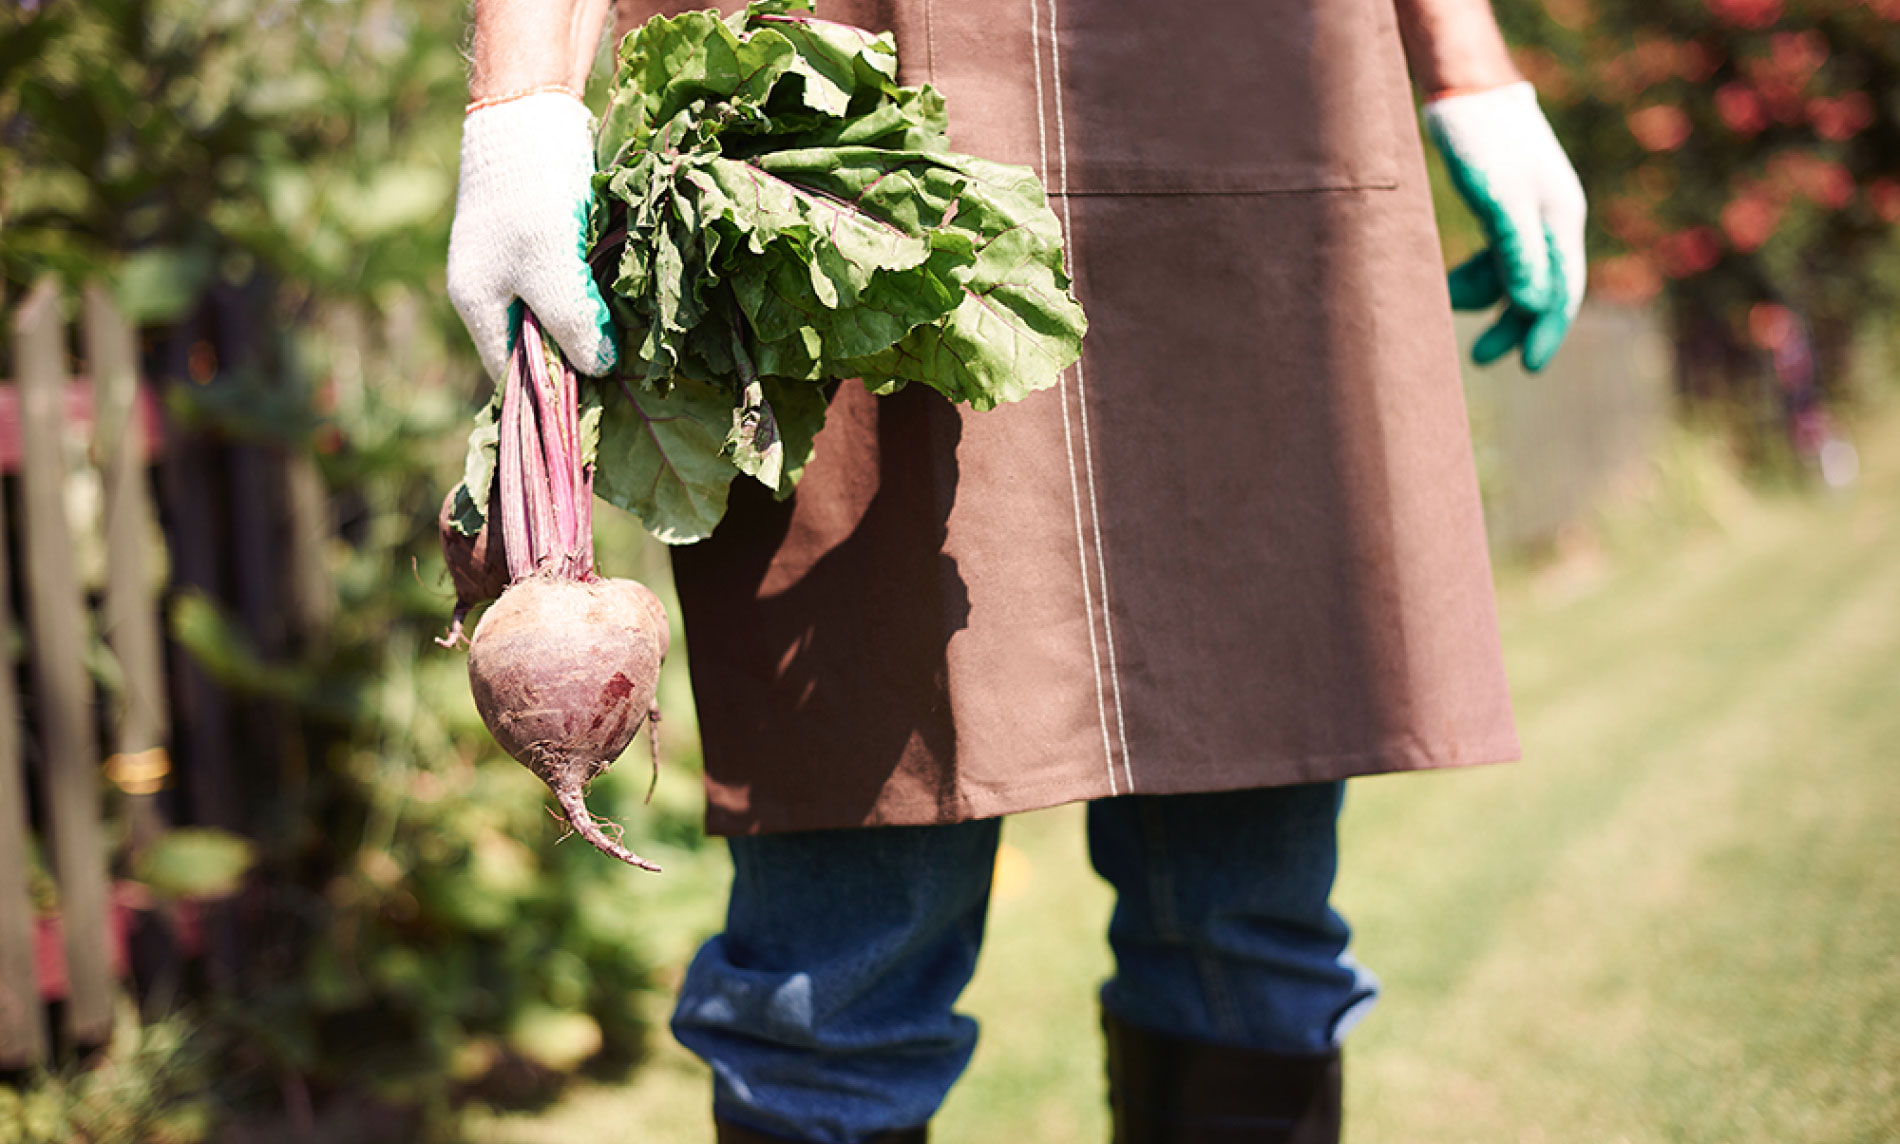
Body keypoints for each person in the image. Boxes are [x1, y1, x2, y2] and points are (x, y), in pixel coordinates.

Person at [447, 0, 1587, 1140]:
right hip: (846, 96)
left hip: (1231, 85)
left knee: (1251, 930)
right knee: (835, 977)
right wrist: (521, 102)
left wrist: (1471, 68)